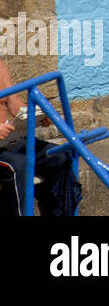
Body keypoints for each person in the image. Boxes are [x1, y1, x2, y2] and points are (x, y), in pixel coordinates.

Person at [0, 59, 80, 216]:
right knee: (18, 166)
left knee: (59, 155)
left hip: (9, 141)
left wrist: (39, 114)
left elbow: (16, 105)